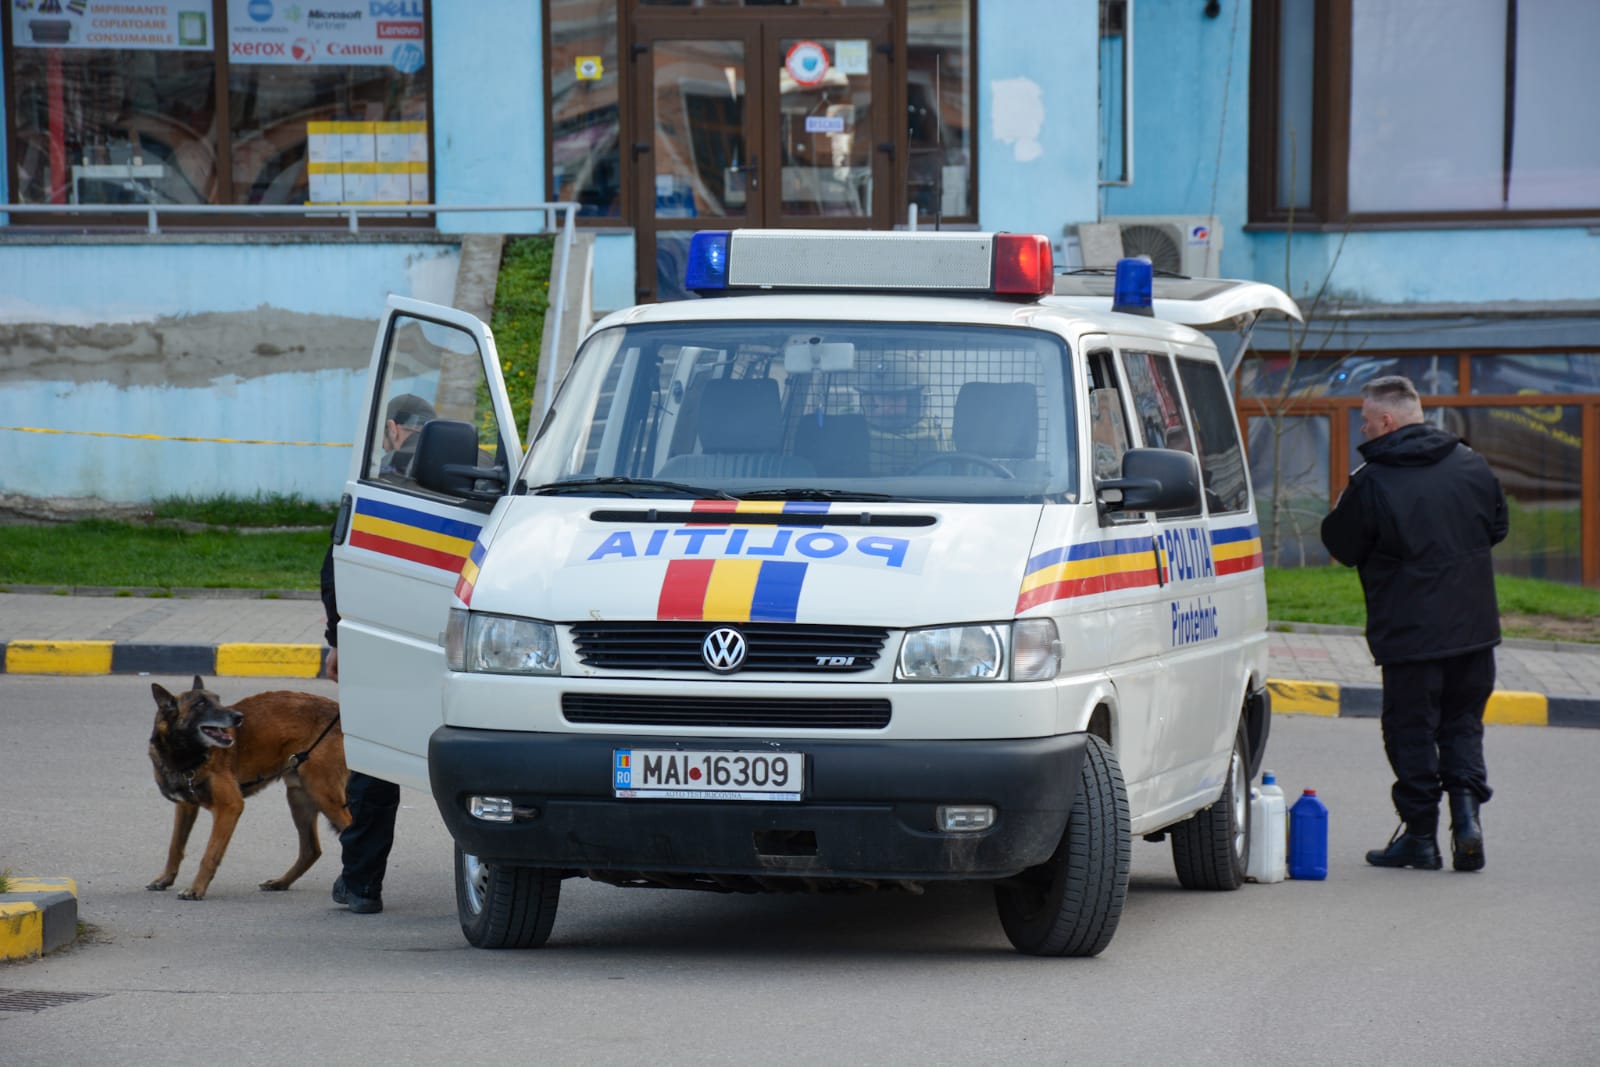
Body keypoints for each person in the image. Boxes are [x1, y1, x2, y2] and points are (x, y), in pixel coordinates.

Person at [1320, 375, 1508, 872]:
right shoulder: (1472, 464)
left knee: (1411, 731)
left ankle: (1421, 838)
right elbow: (1498, 527)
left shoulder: (1372, 481)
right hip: (1474, 630)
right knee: (1462, 725)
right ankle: (1467, 822)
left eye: (1365, 421)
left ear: (1386, 421)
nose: (1362, 429)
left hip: (1410, 635)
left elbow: (1340, 545)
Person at [321, 541, 400, 914]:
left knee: (375, 762)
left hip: (382, 642)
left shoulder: (378, 511)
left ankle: (362, 883)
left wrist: (339, 639)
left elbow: (336, 571)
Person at [855, 350, 946, 474]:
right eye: (881, 396)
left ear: (915, 400)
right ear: (870, 399)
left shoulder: (941, 435)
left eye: (895, 397)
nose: (887, 404)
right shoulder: (852, 434)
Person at [381, 393, 436, 477]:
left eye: (382, 444)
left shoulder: (392, 463)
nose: (386, 450)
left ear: (392, 428)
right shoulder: (441, 460)